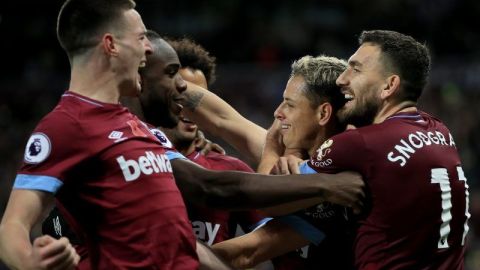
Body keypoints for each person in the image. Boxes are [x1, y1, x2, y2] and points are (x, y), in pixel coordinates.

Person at [0, 1, 364, 267]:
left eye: (289, 104)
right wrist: (32, 263)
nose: (146, 47)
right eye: (141, 38)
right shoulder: (69, 126)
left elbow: (202, 231)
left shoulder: (142, 131)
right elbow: (13, 225)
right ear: (111, 45)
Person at [293, 30, 469, 269]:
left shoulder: (362, 143)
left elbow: (276, 200)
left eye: (355, 69)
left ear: (389, 85)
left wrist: (278, 146)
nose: (341, 79)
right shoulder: (439, 130)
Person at [211, 55, 357, 269]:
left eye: (289, 104)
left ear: (324, 113)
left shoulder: (335, 179)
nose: (277, 113)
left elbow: (246, 249)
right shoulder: (301, 163)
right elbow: (223, 120)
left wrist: (271, 145)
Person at [162, 37, 268, 246]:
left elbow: (268, 243)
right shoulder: (136, 156)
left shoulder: (230, 168)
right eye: (180, 95)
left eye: (198, 103)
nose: (190, 110)